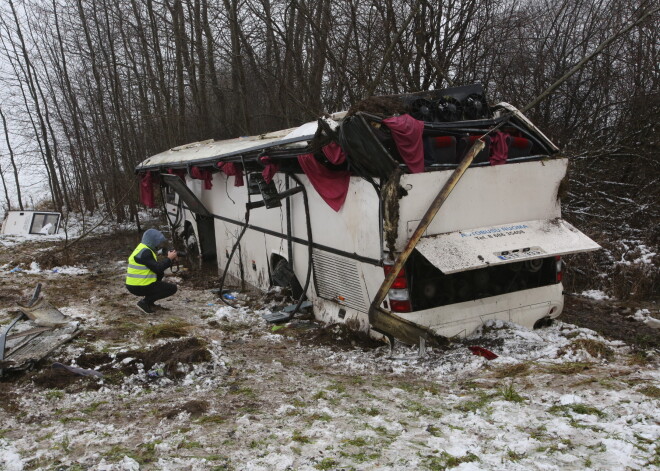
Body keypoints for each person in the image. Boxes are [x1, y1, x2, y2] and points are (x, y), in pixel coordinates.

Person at [125, 228, 178, 313]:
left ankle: (150, 303)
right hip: (139, 286)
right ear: (152, 241)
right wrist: (169, 259)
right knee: (172, 288)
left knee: (160, 274)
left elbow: (156, 268)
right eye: (157, 242)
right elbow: (158, 268)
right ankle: (144, 302)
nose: (158, 245)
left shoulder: (142, 248)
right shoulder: (146, 252)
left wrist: (170, 260)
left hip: (134, 284)